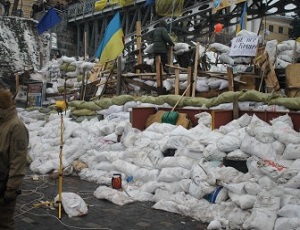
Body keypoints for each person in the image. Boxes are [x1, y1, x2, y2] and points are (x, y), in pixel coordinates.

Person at [0, 89, 29, 230]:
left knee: (4, 223)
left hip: (4, 185)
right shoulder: (2, 122)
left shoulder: (16, 127)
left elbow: (17, 161)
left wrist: (11, 189)